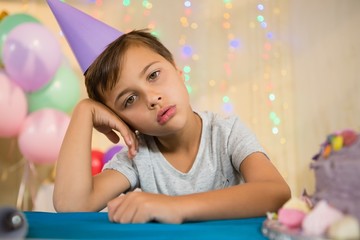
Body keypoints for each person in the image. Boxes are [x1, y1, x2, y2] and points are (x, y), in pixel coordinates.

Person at [53, 28, 291, 224]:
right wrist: (84, 111)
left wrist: (175, 207)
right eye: (130, 100)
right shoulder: (138, 157)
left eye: (154, 75)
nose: (152, 98)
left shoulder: (226, 134)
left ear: (178, 71)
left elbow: (276, 192)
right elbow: (72, 205)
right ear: (123, 121)